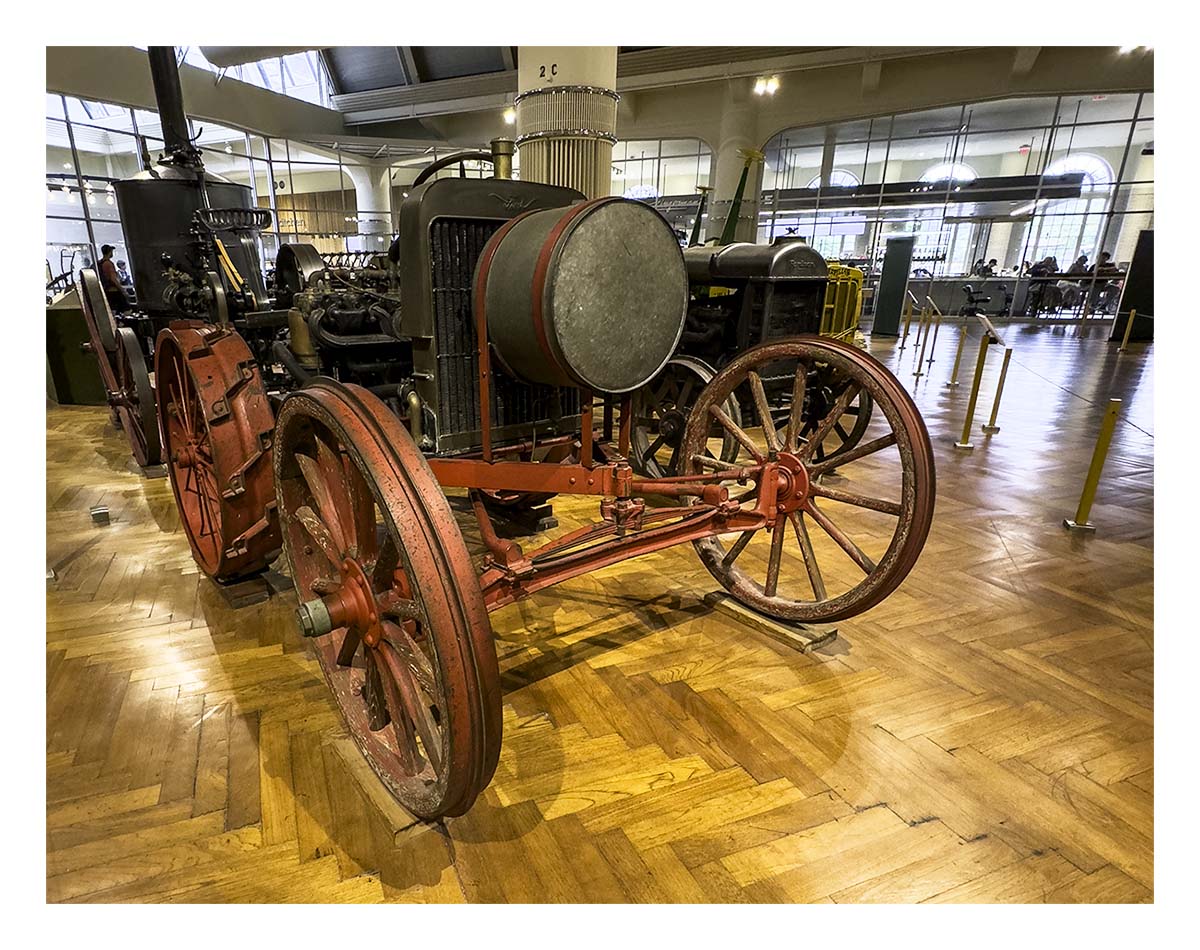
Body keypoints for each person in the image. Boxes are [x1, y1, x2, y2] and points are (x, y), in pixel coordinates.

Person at [97, 244, 130, 314]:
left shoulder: (99, 263)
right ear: (109, 252)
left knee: (112, 311)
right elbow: (113, 278)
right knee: (127, 310)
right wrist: (123, 290)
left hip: (106, 290)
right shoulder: (109, 264)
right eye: (111, 251)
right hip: (113, 291)